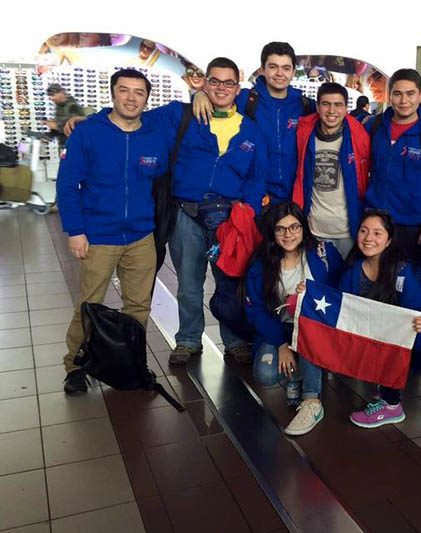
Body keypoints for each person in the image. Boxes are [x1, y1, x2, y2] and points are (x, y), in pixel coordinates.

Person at [56, 69, 170, 395]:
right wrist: (75, 231)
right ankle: (75, 366)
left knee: (138, 308)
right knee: (90, 304)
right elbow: (67, 185)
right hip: (99, 236)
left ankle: (131, 362)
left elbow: (158, 174)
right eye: (124, 90)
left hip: (140, 236)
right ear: (113, 93)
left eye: (139, 92)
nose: (131, 98)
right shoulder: (88, 133)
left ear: (147, 98)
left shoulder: (153, 136)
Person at [160, 57, 269, 366]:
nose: (222, 88)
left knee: (229, 282)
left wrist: (244, 212)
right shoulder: (184, 116)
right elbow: (135, 118)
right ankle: (189, 339)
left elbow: (257, 177)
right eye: (215, 81)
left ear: (238, 88)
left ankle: (234, 340)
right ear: (204, 83)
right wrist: (83, 121)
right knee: (189, 282)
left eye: (229, 83)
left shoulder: (250, 131)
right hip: (187, 214)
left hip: (228, 220)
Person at [244, 201, 342, 435]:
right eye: (281, 229)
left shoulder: (322, 253)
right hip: (280, 330)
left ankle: (311, 401)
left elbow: (342, 292)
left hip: (313, 330)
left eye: (294, 227)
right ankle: (296, 374)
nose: (288, 234)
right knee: (265, 373)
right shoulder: (261, 264)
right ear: (272, 232)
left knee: (309, 332)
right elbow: (255, 310)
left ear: (303, 228)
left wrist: (313, 295)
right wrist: (281, 344)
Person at [339, 210, 421, 428]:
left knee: (395, 331)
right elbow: (341, 306)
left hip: (404, 345)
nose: (369, 238)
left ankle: (391, 406)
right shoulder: (352, 271)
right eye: (364, 231)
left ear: (389, 240)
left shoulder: (402, 271)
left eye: (377, 233)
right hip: (369, 341)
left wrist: (420, 322)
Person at [194, 42, 314, 206]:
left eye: (286, 68)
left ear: (294, 71)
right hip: (253, 196)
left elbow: (333, 114)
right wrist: (200, 94)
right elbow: (220, 95)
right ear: (262, 69)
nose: (280, 73)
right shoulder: (246, 99)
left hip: (294, 197)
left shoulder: (305, 105)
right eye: (273, 67)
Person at [364, 68, 421, 263]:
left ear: (420, 95)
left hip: (411, 227)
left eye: (410, 94)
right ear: (390, 96)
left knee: (405, 284)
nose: (404, 101)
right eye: (398, 94)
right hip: (374, 222)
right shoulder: (374, 127)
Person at [292, 82, 370, 258]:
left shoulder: (359, 138)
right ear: (318, 107)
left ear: (346, 108)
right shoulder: (304, 134)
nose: (332, 111)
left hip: (347, 230)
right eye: (326, 104)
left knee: (345, 284)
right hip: (314, 228)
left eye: (338, 105)